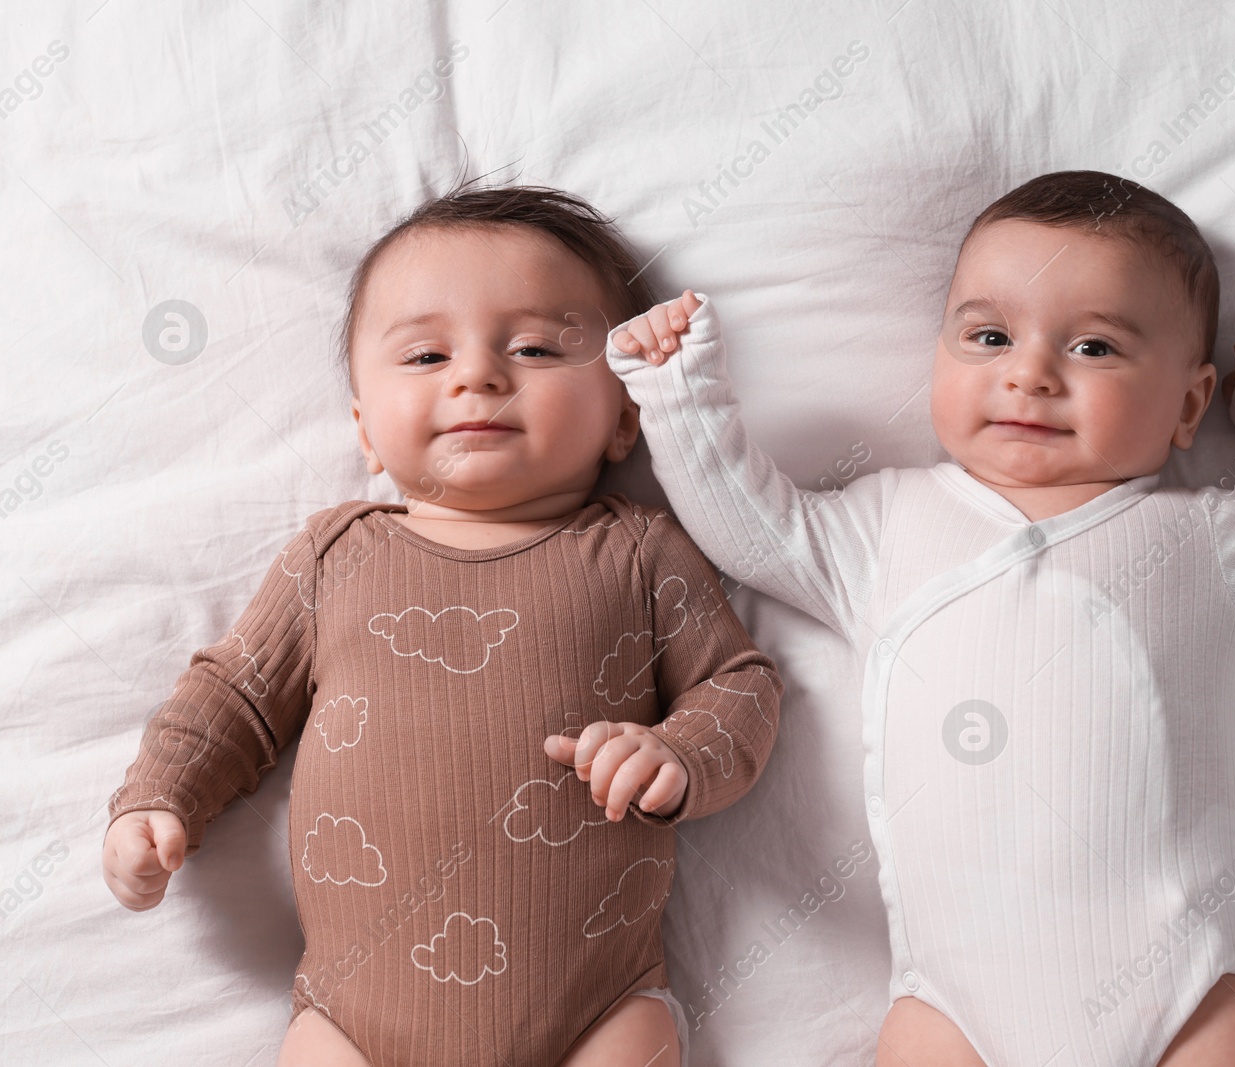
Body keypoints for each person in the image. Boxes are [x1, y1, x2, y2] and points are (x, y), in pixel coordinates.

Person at [605, 170, 1235, 1065]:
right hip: (957, 1003)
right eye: (989, 336)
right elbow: (753, 533)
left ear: (1188, 404)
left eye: (1095, 348)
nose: (1030, 373)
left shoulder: (1206, 537)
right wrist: (679, 394)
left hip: (1196, 978)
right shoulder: (886, 522)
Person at [101, 184, 783, 1067]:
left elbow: (742, 685)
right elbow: (233, 693)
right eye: (425, 355)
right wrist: (158, 796)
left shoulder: (640, 552)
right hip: (354, 1021)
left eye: (536, 346)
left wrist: (681, 754)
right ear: (365, 431)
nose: (478, 376)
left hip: (597, 1008)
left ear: (623, 416)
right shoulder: (335, 557)